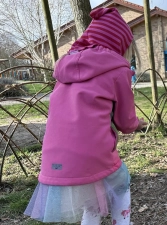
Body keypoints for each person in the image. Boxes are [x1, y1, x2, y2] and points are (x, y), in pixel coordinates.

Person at [24, 7, 147, 225]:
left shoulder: (64, 71)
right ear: (121, 44)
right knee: (121, 182)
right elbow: (126, 123)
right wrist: (138, 124)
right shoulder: (118, 70)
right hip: (93, 153)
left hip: (55, 158)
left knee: (93, 193)